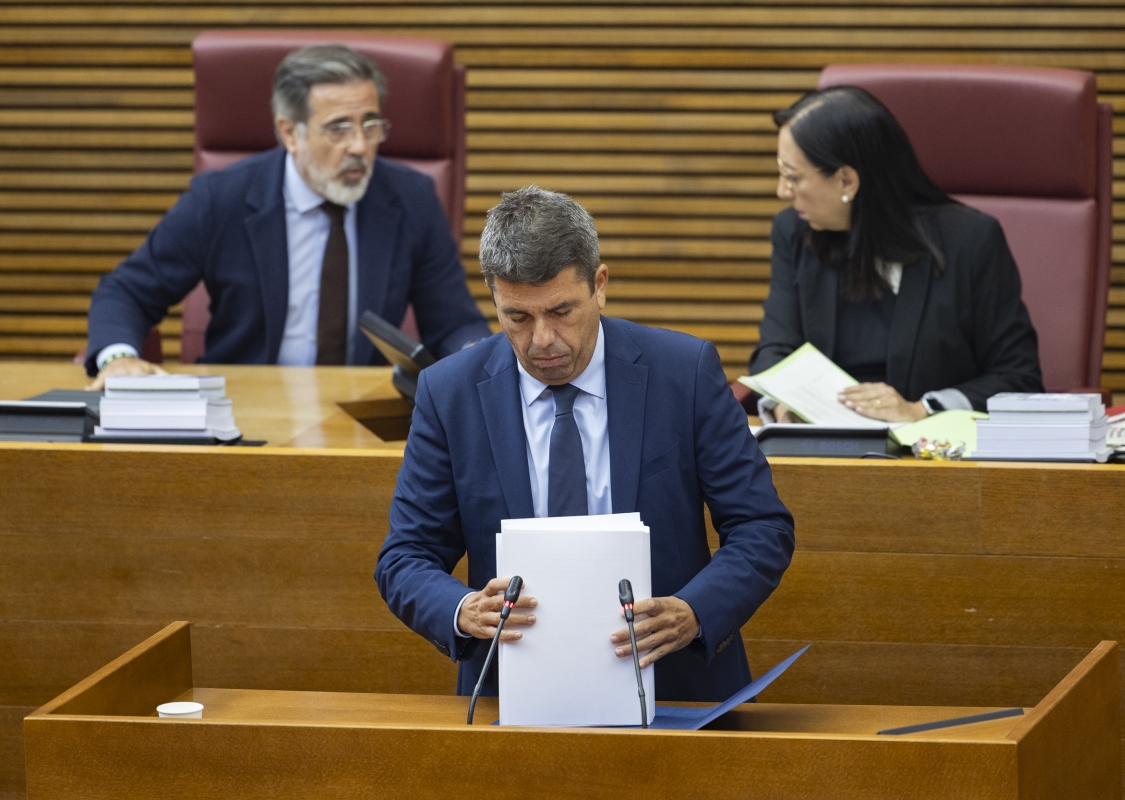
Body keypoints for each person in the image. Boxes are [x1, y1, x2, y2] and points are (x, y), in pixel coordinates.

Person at [375, 186, 795, 702]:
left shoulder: (683, 373)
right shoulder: (449, 393)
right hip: (513, 689)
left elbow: (761, 525)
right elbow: (405, 556)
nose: (543, 339)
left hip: (677, 684)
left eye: (561, 311)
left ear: (599, 285)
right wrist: (461, 609)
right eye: (518, 318)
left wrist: (695, 611)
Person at [84, 44, 490, 388]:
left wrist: (479, 358)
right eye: (338, 129)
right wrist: (118, 357)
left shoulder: (409, 199)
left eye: (370, 125)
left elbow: (452, 323)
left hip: (357, 414)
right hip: (244, 409)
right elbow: (127, 292)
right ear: (290, 132)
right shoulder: (222, 198)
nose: (360, 146)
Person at [750, 86, 1043, 423]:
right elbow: (774, 353)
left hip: (932, 458)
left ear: (847, 181)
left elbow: (1019, 379)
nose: (782, 191)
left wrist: (920, 410)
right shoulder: (795, 232)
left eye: (792, 176)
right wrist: (787, 408)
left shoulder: (971, 240)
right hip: (824, 453)